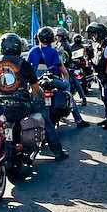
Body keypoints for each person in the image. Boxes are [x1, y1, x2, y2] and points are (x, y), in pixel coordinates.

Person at [0, 32, 45, 172]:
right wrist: (39, 99)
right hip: (21, 105)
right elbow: (35, 86)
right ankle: (56, 150)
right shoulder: (22, 63)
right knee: (43, 115)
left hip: (0, 107)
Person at [25, 26, 72, 160]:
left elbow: (27, 70)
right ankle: (58, 152)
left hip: (35, 88)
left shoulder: (33, 50)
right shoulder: (53, 51)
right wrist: (66, 83)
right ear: (51, 39)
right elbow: (64, 71)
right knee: (48, 123)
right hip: (51, 86)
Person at [86, 22, 107, 128]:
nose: (93, 36)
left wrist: (106, 74)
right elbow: (96, 60)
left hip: (106, 77)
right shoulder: (99, 45)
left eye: (94, 34)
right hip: (100, 76)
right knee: (103, 98)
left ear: (100, 33)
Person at [54, 27, 88, 120]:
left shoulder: (64, 45)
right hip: (63, 67)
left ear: (63, 36)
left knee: (67, 91)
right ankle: (82, 99)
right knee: (75, 83)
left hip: (66, 68)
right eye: (57, 36)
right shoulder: (60, 44)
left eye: (59, 36)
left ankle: (75, 115)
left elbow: (63, 58)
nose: (57, 38)